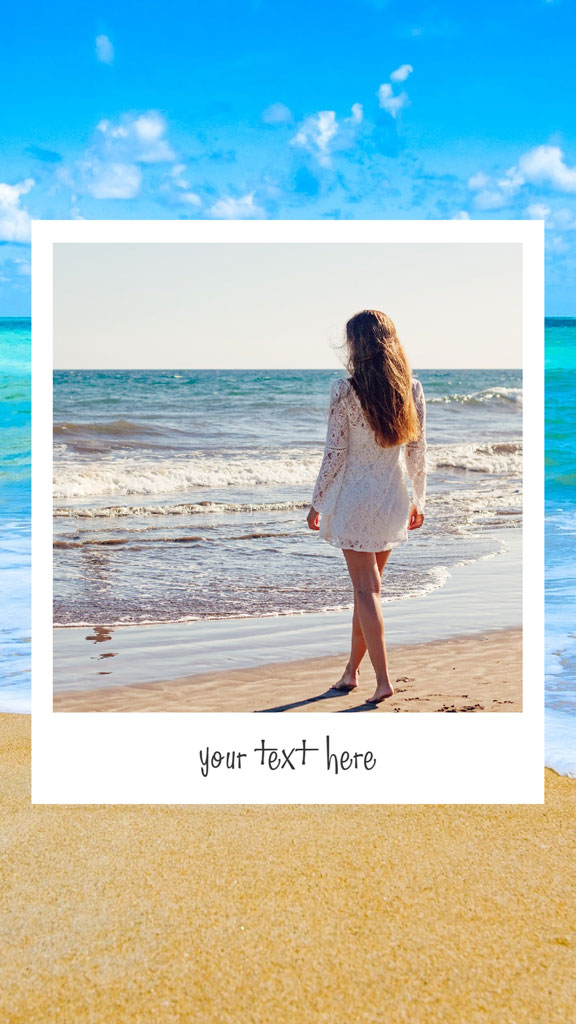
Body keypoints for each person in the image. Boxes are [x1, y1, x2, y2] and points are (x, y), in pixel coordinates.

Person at [307, 309, 427, 704]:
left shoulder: (344, 390)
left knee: (366, 591)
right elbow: (417, 451)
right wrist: (419, 498)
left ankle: (383, 680)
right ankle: (350, 672)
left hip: (355, 501)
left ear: (357, 345)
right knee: (368, 592)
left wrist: (317, 502)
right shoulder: (411, 388)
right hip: (392, 499)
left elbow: (335, 453)